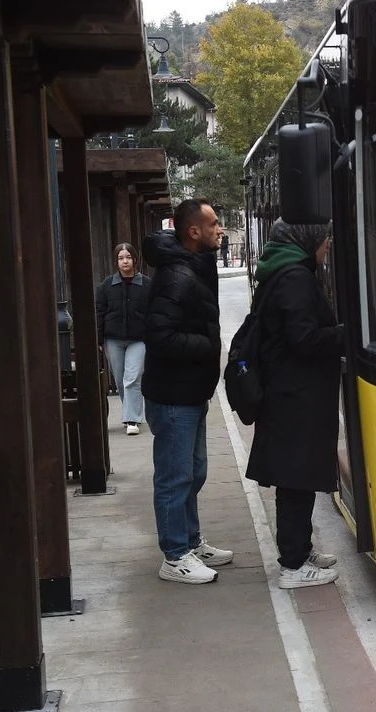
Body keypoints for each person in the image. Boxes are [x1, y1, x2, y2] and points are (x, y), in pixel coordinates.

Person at [245, 220, 344, 590]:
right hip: (295, 395)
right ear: (307, 240)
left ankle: (299, 550)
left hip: (288, 391)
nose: (329, 244)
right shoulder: (295, 278)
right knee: (295, 478)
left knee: (295, 476)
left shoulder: (280, 271)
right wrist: (344, 335)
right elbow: (303, 338)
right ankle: (293, 564)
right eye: (324, 237)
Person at [142, 199, 232, 585]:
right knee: (175, 476)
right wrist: (208, 344)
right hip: (173, 395)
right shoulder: (177, 276)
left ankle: (190, 541)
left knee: (193, 472)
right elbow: (160, 336)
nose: (219, 230)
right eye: (213, 224)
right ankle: (175, 555)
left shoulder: (195, 265)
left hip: (190, 391)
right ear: (193, 232)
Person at [95, 243, 149, 436]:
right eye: (120, 258)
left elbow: (153, 313)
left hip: (139, 339)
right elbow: (99, 313)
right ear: (116, 261)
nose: (125, 261)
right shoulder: (106, 286)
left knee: (132, 377)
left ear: (135, 259)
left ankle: (131, 419)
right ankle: (133, 412)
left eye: (128, 257)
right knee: (120, 379)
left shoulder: (146, 285)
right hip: (113, 339)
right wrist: (99, 339)